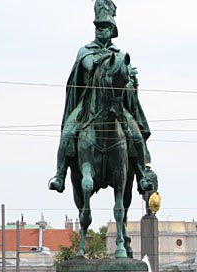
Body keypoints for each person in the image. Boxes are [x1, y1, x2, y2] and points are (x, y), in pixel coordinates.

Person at [49, 0, 155, 194]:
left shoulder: (121, 55)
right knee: (66, 134)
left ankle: (142, 174)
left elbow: (126, 81)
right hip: (87, 105)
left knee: (137, 136)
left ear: (112, 30)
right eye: (98, 27)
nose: (100, 31)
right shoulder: (85, 51)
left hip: (116, 105)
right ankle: (60, 175)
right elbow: (91, 67)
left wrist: (130, 80)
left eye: (105, 27)